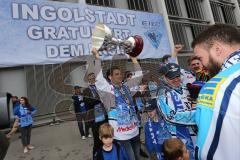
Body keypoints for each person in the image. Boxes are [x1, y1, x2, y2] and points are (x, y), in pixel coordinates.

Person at [191, 24, 240, 159]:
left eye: (200, 58)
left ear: (217, 49)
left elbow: (209, 150)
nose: (202, 65)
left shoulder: (218, 85)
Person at [90, 48, 142, 160]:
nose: (120, 76)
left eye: (120, 74)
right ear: (110, 77)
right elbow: (98, 77)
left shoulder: (126, 87)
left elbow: (139, 76)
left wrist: (133, 58)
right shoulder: (107, 90)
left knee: (138, 156)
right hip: (120, 135)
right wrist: (97, 57)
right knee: (131, 158)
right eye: (117, 74)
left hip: (134, 131)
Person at [157, 63, 196, 159]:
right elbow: (171, 116)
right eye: (171, 78)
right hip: (179, 136)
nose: (176, 79)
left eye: (177, 76)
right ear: (165, 78)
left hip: (195, 132)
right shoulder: (163, 93)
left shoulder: (187, 88)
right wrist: (196, 115)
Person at [83, 72, 108, 156]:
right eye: (90, 79)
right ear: (88, 80)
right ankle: (96, 156)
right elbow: (87, 103)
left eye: (93, 78)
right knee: (97, 140)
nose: (92, 80)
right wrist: (99, 100)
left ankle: (106, 155)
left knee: (106, 137)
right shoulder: (86, 90)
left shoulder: (101, 88)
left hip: (104, 116)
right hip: (94, 118)